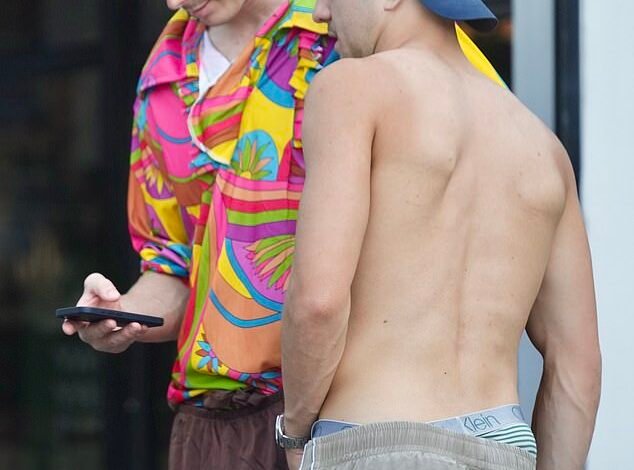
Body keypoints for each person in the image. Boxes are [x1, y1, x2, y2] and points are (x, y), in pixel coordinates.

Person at [61, 0, 507, 468]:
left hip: (355, 413)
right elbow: (175, 266)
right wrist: (124, 314)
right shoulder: (162, 72)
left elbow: (491, 182)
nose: (173, 3)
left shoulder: (367, 20)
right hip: (214, 425)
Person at [279, 0, 601, 469]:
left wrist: (294, 431)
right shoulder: (543, 148)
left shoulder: (353, 88)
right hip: (505, 448)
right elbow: (578, 370)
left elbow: (319, 302)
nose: (321, 13)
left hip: (377, 439)